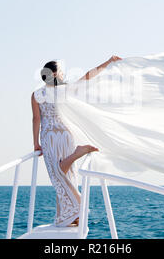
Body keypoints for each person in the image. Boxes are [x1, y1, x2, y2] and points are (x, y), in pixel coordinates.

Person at [31, 56, 122, 227]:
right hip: (65, 134)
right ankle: (71, 215)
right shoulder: (64, 90)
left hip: (49, 135)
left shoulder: (36, 95)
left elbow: (36, 119)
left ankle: (77, 155)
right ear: (56, 73)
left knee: (56, 174)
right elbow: (88, 76)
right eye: (62, 72)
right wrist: (108, 62)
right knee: (66, 174)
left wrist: (35, 143)